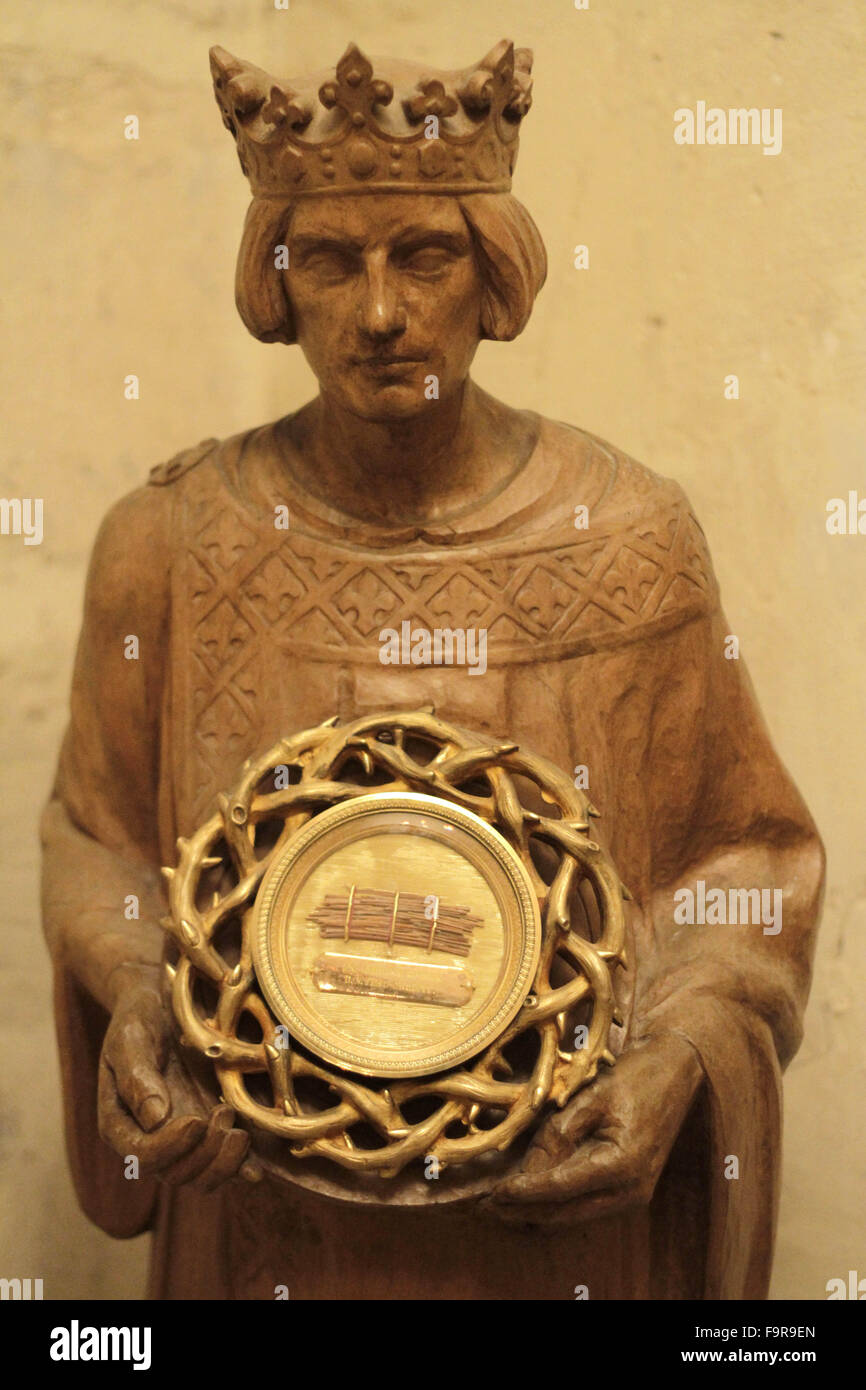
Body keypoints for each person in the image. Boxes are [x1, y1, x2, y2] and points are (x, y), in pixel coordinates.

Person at [41, 39, 824, 1299]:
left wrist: (675, 1057)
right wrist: (137, 991)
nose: (381, 312)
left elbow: (741, 864)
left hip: (553, 1230)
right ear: (274, 284)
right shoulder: (173, 544)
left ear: (496, 274)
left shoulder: (625, 538)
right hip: (266, 1230)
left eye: (425, 253)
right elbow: (99, 835)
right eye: (328, 260)